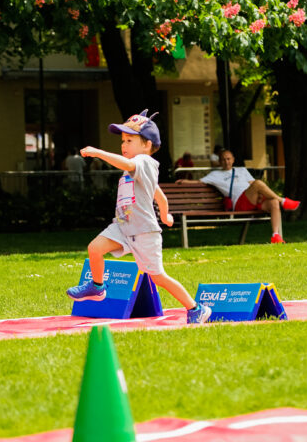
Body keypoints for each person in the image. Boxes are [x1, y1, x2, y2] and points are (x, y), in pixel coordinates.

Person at [65, 109, 212, 324]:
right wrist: (166, 215)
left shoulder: (144, 162)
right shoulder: (135, 170)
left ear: (147, 145)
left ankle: (196, 308)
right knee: (94, 249)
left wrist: (98, 153)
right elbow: (159, 195)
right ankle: (97, 287)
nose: (123, 145)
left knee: (158, 277)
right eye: (122, 141)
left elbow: (129, 166)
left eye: (129, 140)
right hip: (123, 227)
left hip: (144, 232)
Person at [177, 149, 300, 244]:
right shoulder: (215, 174)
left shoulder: (241, 170)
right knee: (259, 183)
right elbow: (199, 182)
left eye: (228, 159)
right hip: (239, 203)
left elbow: (252, 184)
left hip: (252, 198)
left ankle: (275, 236)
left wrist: (259, 194)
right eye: (223, 159)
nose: (226, 162)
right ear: (219, 161)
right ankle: (283, 201)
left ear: (233, 160)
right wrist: (184, 181)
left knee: (273, 202)